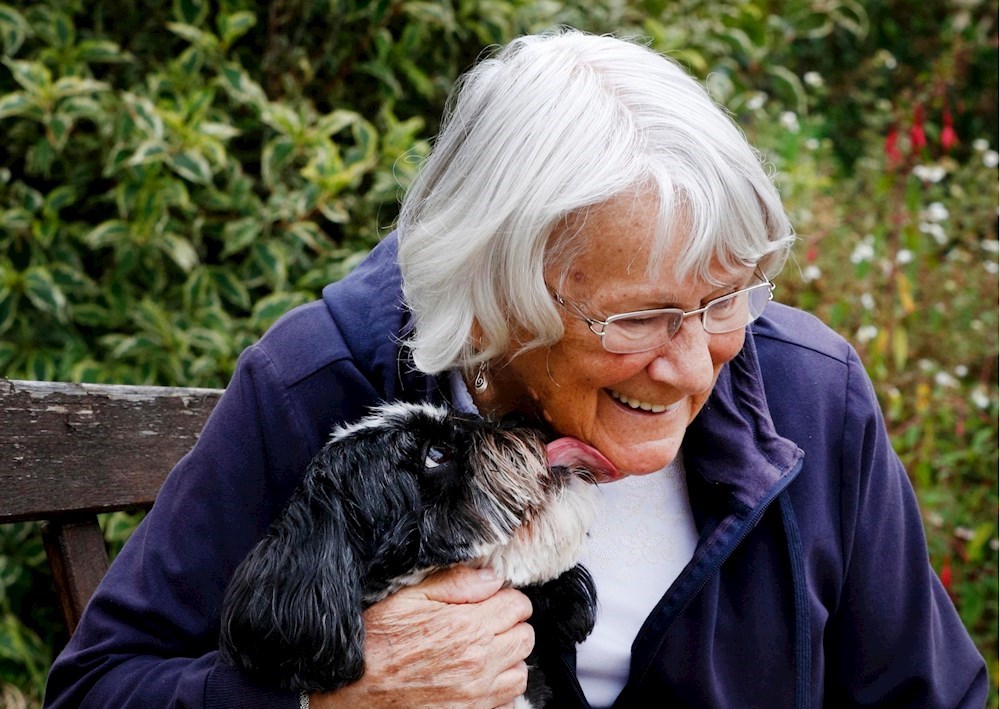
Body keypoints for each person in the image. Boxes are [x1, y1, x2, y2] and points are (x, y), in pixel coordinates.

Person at [45, 28, 987, 708]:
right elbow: (98, 686)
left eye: (723, 299)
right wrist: (328, 702)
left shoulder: (811, 396)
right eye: (642, 315)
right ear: (496, 299)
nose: (695, 364)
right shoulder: (319, 383)